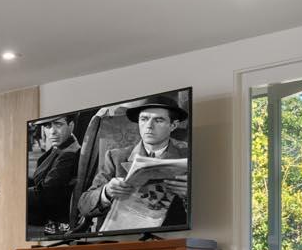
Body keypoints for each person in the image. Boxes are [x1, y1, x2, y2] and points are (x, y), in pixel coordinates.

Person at [76, 96, 189, 231]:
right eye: (144, 119)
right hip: (122, 238)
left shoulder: (189, 156)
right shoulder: (116, 157)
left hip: (169, 237)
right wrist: (106, 191)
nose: (149, 126)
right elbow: (83, 205)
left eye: (158, 120)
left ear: (173, 125)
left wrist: (189, 195)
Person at [26, 118, 81, 233]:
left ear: (71, 126)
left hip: (50, 215)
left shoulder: (69, 153)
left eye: (58, 124)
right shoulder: (62, 145)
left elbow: (47, 190)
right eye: (47, 126)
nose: (52, 131)